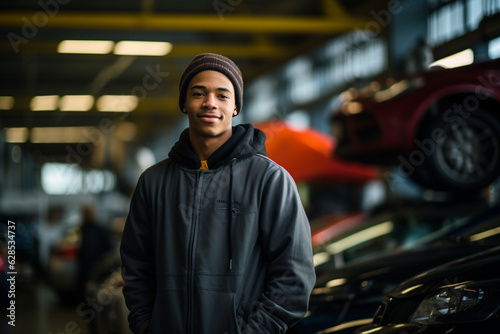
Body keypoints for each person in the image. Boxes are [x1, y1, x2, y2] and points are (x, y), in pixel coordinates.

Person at [120, 53, 316, 334]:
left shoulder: (270, 180)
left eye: (222, 95)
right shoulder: (153, 183)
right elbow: (136, 265)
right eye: (199, 93)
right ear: (184, 104)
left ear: (235, 106)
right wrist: (145, 325)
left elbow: (295, 275)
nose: (210, 102)